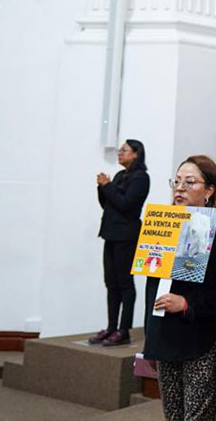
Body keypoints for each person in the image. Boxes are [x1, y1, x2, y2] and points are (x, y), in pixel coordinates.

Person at [143, 155, 216, 421]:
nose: (179, 187)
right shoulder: (161, 227)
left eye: (189, 182)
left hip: (202, 340)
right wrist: (151, 339)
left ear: (209, 190)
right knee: (173, 416)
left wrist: (186, 304)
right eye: (177, 181)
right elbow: (153, 289)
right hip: (166, 337)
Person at [89, 139, 151, 347]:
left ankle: (123, 330)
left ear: (135, 154)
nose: (119, 153)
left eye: (124, 150)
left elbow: (125, 204)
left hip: (127, 235)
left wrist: (107, 186)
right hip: (111, 233)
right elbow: (107, 204)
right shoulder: (120, 175)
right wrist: (102, 187)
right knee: (111, 282)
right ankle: (111, 327)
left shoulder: (141, 178)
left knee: (125, 283)